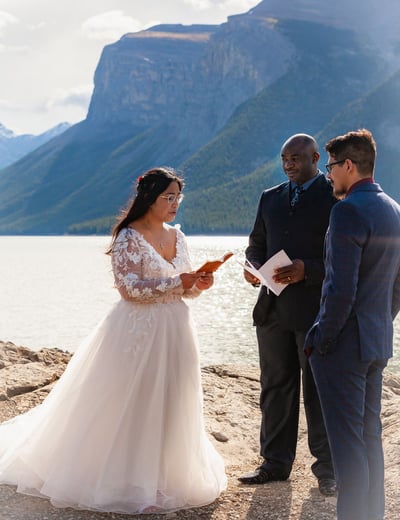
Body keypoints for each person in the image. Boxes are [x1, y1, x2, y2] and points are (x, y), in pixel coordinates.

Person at [0, 167, 227, 514]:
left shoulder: (178, 238)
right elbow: (129, 289)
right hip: (137, 330)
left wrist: (198, 284)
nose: (175, 203)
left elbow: (186, 288)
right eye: (168, 197)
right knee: (130, 399)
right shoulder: (128, 237)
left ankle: (163, 476)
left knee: (172, 397)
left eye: (178, 196)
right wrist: (177, 282)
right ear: (149, 198)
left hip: (176, 329)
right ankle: (122, 477)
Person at [305, 129, 400, 520]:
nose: (327, 175)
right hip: (376, 341)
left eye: (330, 167)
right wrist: (377, 322)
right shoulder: (393, 209)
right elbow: (397, 287)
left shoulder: (347, 211)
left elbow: (338, 289)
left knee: (345, 447)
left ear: (348, 165)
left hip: (343, 347)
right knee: (369, 440)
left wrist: (320, 339)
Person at [239, 134, 337, 496]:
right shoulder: (270, 198)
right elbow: (256, 244)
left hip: (316, 312)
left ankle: (328, 471)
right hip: (272, 310)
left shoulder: (334, 196)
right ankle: (274, 465)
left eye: (295, 158)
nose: (289, 164)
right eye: (284, 158)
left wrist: (306, 270)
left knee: (318, 392)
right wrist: (252, 268)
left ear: (314, 157)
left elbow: (344, 257)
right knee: (275, 388)